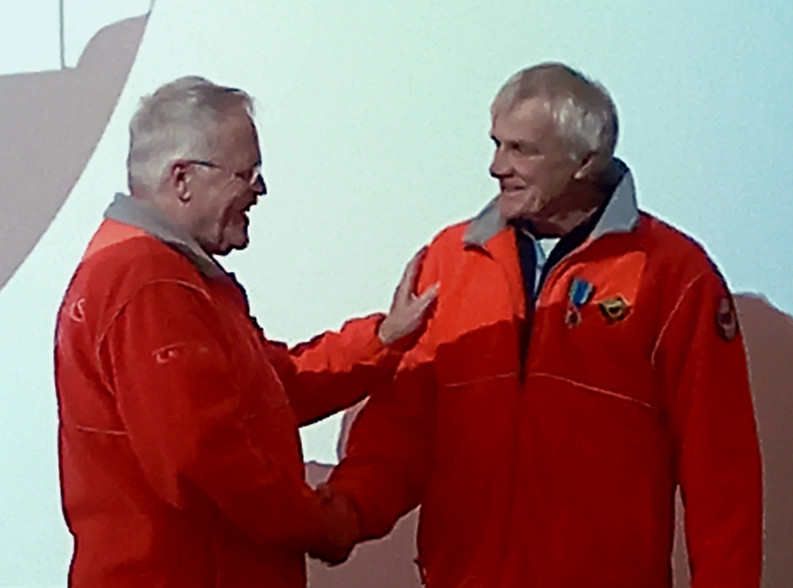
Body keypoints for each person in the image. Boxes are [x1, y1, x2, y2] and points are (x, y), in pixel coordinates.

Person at [319, 62, 763, 587]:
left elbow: (721, 471)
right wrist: (342, 513)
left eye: (520, 150)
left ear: (584, 161)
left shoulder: (673, 273)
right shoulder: (453, 259)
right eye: (496, 143)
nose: (495, 166)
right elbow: (401, 425)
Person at [53, 76, 436, 588]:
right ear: (182, 178)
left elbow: (270, 390)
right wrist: (318, 523)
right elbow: (204, 458)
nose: (260, 190)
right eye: (247, 173)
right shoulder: (148, 282)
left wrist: (382, 340)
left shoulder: (168, 276)